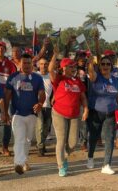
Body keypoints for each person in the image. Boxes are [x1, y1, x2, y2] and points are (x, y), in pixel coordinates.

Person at [49, 45, 89, 177]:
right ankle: (61, 166)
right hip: (59, 113)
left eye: (74, 67)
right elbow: (50, 69)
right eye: (71, 67)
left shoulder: (77, 81)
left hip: (74, 114)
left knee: (73, 143)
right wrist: (55, 55)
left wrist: (86, 109)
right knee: (61, 139)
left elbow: (83, 97)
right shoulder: (59, 79)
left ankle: (64, 155)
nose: (74, 69)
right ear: (64, 68)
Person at [4, 53, 45, 175]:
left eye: (29, 63)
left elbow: (42, 93)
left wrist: (40, 103)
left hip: (32, 114)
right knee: (20, 139)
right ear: (20, 64)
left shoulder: (37, 78)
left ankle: (24, 160)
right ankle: (18, 163)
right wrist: (5, 112)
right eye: (24, 63)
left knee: (27, 140)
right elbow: (7, 95)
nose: (27, 65)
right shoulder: (13, 77)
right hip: (17, 114)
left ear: (32, 64)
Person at [86, 55, 118, 175]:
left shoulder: (115, 79)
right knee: (93, 137)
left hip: (110, 114)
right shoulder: (96, 77)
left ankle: (106, 165)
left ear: (111, 67)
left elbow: (117, 94)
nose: (105, 66)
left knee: (109, 139)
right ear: (100, 66)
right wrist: (91, 64)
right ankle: (90, 157)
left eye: (108, 64)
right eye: (103, 64)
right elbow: (91, 72)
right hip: (96, 113)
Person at [0, 41, 17, 156]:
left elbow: (14, 83)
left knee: (7, 121)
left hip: (7, 97)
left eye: (2, 48)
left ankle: (5, 147)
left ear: (5, 50)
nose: (0, 50)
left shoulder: (10, 65)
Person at [35, 57, 53, 156]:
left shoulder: (51, 76)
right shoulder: (35, 75)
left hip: (49, 105)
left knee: (47, 127)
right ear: (38, 65)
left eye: (45, 64)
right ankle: (40, 146)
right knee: (40, 126)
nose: (43, 66)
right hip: (38, 105)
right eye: (41, 64)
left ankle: (42, 143)